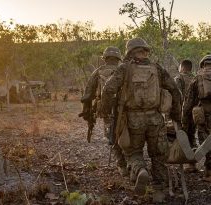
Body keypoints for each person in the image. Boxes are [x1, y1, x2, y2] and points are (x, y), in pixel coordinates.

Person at [101, 38, 182, 195]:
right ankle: (159, 191)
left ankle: (140, 171)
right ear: (145, 50)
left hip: (132, 119)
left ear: (129, 52)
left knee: (133, 152)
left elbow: (108, 89)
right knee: (158, 155)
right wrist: (176, 116)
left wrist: (106, 111)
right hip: (156, 119)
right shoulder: (156, 68)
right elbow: (174, 90)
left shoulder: (124, 68)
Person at [80, 46, 128, 176]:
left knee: (111, 134)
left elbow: (88, 94)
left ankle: (121, 163)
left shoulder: (98, 71)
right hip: (126, 108)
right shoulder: (125, 69)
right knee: (126, 132)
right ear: (119, 57)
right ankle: (131, 162)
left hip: (107, 109)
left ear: (105, 58)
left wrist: (87, 110)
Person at [182, 55, 211, 182]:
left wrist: (185, 121)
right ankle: (209, 170)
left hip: (203, 116)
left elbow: (188, 102)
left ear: (202, 65)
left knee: (207, 145)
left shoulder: (197, 78)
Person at [174, 59, 197, 172]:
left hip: (184, 112)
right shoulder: (196, 78)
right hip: (196, 112)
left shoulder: (179, 78)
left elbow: (177, 96)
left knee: (183, 136)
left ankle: (185, 160)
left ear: (182, 67)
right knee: (192, 136)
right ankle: (192, 163)